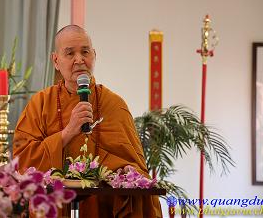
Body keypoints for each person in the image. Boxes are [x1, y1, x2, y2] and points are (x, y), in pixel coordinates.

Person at [13, 25, 162, 217]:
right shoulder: (40, 104)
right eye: (70, 53)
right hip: (54, 207)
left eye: (85, 52)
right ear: (56, 61)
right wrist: (67, 133)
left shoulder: (114, 104)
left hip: (102, 207)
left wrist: (126, 170)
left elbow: (135, 166)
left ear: (94, 55)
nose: (79, 60)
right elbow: (23, 160)